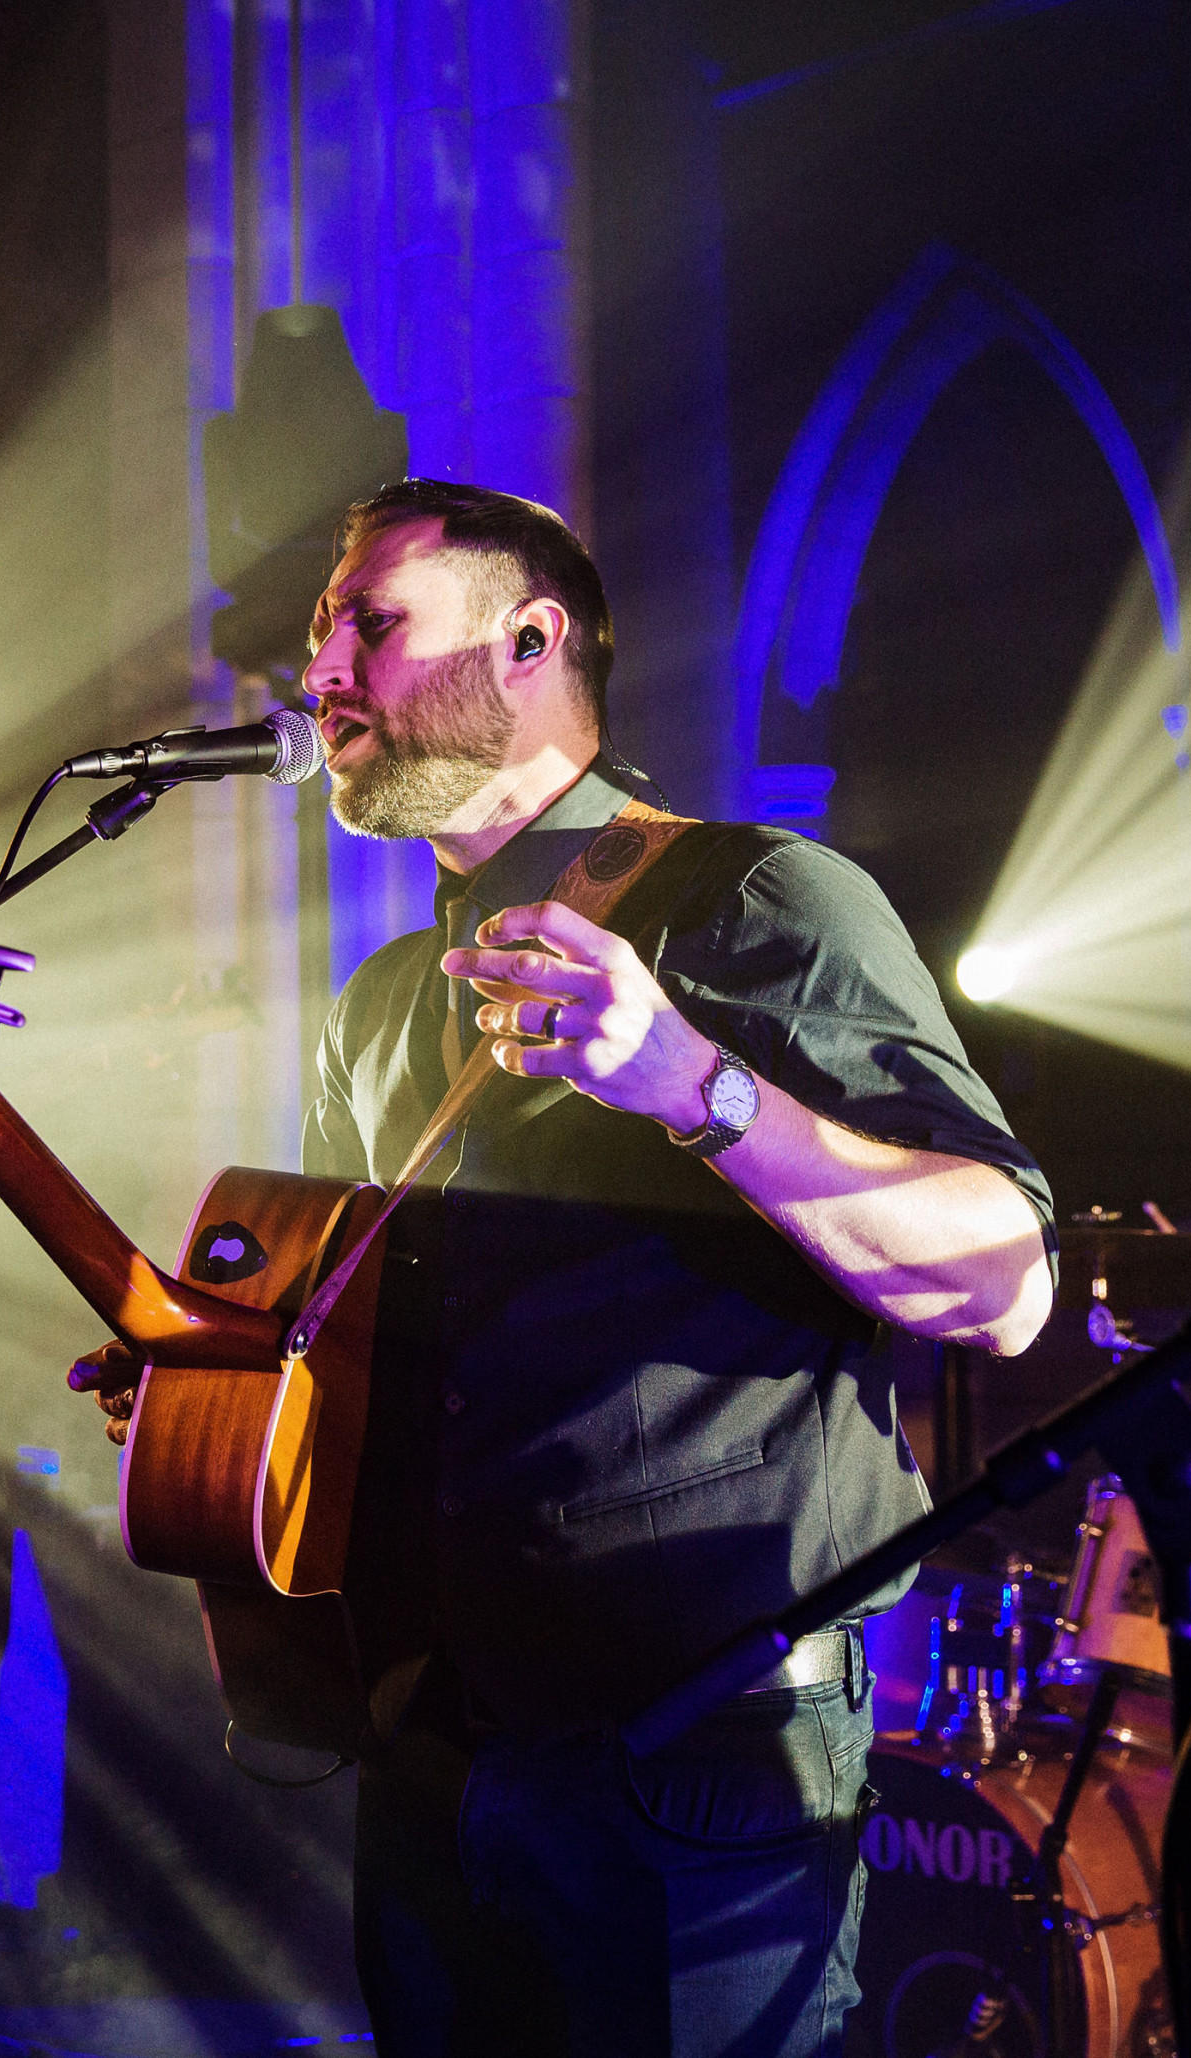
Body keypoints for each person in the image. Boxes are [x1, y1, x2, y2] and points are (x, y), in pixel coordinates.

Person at [103, 477, 1056, 2057]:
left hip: (694, 1761)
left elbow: (1003, 1281)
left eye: (370, 621)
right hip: (433, 1742)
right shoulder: (385, 1001)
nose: (321, 663)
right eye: (320, 629)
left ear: (531, 637)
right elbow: (380, 1364)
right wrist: (208, 1381)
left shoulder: (758, 896)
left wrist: (695, 1081)